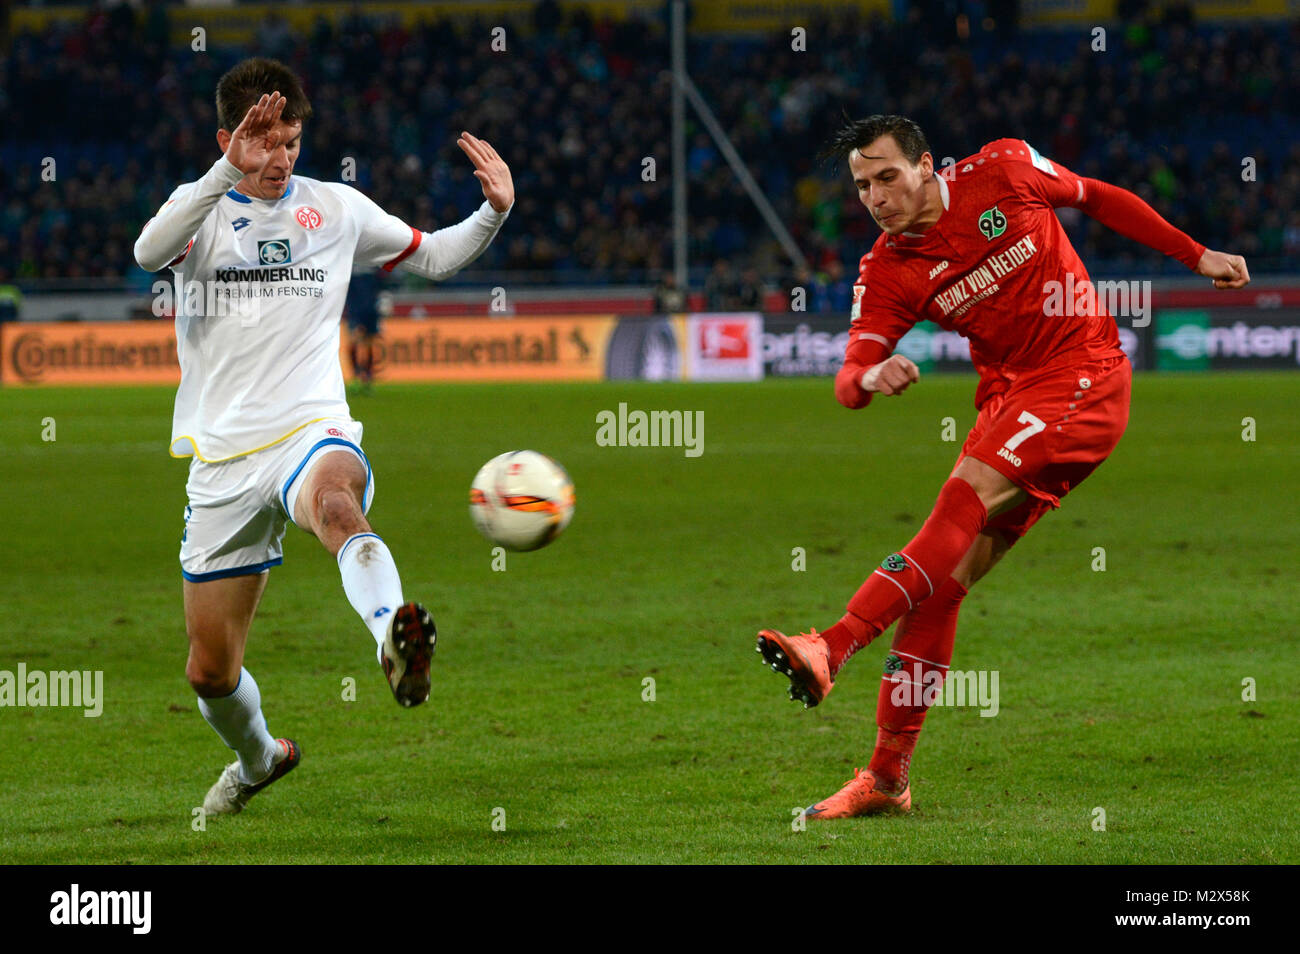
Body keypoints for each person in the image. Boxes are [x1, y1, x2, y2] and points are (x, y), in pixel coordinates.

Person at [756, 114, 1249, 819]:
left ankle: (832, 644)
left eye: (887, 176)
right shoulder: (888, 268)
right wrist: (869, 377)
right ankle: (888, 779)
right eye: (863, 185)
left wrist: (1193, 254)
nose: (875, 196)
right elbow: (847, 379)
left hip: (1085, 373)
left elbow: (1098, 196)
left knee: (958, 504)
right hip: (1009, 400)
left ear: (927, 166)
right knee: (941, 584)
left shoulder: (1005, 170)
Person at [134, 58, 514, 816]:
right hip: (222, 459)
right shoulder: (200, 208)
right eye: (262, 140)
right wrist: (223, 171)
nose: (278, 159)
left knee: (339, 503)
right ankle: (259, 760)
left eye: (291, 141)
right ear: (229, 137)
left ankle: (392, 636)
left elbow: (433, 255)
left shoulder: (335, 209)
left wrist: (495, 211)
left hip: (312, 429)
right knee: (210, 672)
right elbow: (148, 253)